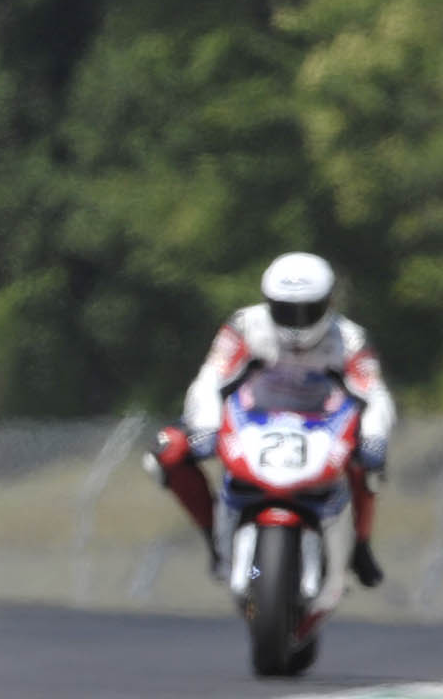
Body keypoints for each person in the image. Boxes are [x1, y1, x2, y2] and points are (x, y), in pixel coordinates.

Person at [145, 251, 395, 594]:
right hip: (251, 419)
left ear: (329, 303)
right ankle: (214, 536)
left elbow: (374, 394)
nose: (297, 323)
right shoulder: (244, 326)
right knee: (168, 451)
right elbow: (211, 378)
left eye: (308, 311)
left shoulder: (350, 339)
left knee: (368, 463)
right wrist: (204, 426)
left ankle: (360, 546)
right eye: (286, 310)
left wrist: (375, 437)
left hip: (321, 423)